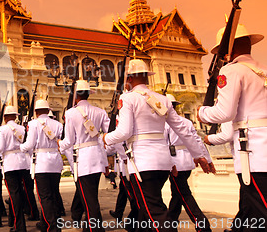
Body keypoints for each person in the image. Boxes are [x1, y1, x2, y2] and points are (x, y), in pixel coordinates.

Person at [103, 59, 212, 232]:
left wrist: (106, 138)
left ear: (129, 79)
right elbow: (183, 129)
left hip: (142, 164)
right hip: (164, 162)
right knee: (146, 209)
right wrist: (199, 155)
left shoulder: (128, 98)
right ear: (147, 77)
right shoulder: (162, 100)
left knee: (155, 213)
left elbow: (124, 132)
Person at [198, 24, 267, 230]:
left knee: (260, 213)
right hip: (261, 153)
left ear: (227, 51)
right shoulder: (262, 73)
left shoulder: (231, 71)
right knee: (248, 210)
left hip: (251, 156)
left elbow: (224, 113)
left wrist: (202, 112)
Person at [59, 80, 110, 232]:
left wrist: (58, 144)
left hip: (83, 160)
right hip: (98, 157)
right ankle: (90, 227)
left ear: (75, 97)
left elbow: (69, 141)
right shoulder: (100, 112)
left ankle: (96, 229)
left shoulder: (70, 113)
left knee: (89, 201)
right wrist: (106, 161)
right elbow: (108, 135)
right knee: (91, 196)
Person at [165, 94, 213, 231]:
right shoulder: (186, 122)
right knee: (177, 195)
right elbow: (198, 141)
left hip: (174, 162)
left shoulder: (165, 123)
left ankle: (202, 224)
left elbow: (164, 144)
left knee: (184, 194)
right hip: (187, 161)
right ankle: (170, 224)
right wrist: (206, 159)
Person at [20, 99, 63, 232]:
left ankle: (52, 226)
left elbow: (30, 144)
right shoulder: (58, 124)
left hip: (42, 163)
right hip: (56, 162)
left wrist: (21, 147)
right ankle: (45, 222)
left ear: (36, 112)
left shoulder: (33, 124)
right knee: (54, 193)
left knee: (44, 196)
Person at [0, 105, 29, 232]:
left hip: (10, 164)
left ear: (5, 117)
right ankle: (14, 220)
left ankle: (20, 225)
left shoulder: (3, 129)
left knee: (14, 195)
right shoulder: (22, 128)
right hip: (22, 163)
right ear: (15, 116)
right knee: (19, 193)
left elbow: (0, 148)